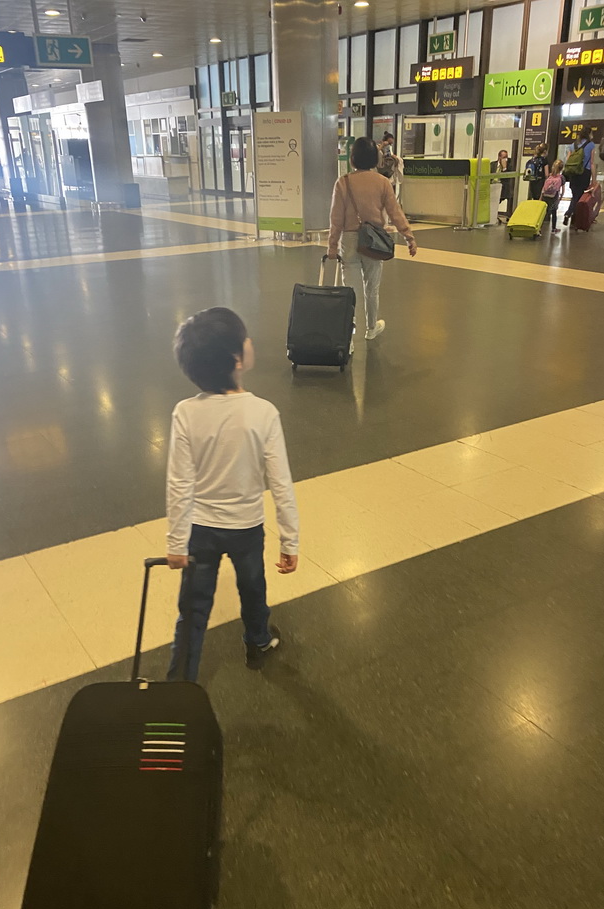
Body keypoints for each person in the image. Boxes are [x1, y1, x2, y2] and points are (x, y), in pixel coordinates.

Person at [165, 307, 299, 683]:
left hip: (199, 531)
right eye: (246, 338)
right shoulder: (263, 413)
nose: (250, 341)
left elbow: (179, 482)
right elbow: (281, 484)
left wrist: (176, 542)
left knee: (192, 610)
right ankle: (257, 641)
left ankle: (179, 684)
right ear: (237, 359)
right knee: (253, 589)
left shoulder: (185, 413)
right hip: (246, 528)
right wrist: (289, 540)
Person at [327, 136, 417, 341]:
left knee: (349, 290)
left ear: (353, 159)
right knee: (371, 288)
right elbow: (395, 213)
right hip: (374, 240)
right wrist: (409, 237)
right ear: (376, 159)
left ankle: (348, 334)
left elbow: (335, 217)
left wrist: (332, 246)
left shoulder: (343, 182)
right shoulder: (383, 183)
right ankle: (370, 328)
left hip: (349, 240)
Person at [563, 128, 595, 226]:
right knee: (578, 196)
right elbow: (592, 163)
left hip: (573, 173)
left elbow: (568, 160)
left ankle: (574, 219)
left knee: (575, 195)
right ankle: (569, 213)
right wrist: (594, 179)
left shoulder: (573, 145)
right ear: (589, 134)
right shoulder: (591, 145)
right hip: (584, 172)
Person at [540, 159, 565, 233]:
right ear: (561, 168)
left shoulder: (549, 176)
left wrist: (541, 196)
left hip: (545, 195)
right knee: (554, 212)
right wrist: (560, 197)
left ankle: (539, 227)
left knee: (543, 213)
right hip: (554, 197)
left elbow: (544, 187)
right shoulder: (561, 177)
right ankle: (554, 229)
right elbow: (562, 190)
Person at [491, 150, 515, 219]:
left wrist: (504, 168)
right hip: (493, 186)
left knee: (509, 196)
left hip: (503, 187)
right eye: (504, 157)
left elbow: (508, 177)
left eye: (506, 157)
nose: (506, 159)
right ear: (499, 157)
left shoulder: (509, 166)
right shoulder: (492, 164)